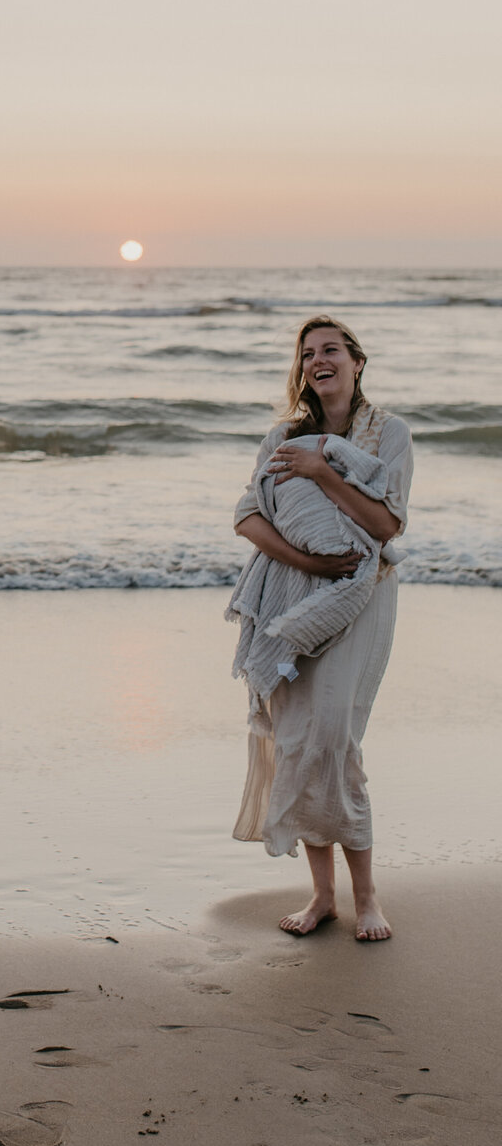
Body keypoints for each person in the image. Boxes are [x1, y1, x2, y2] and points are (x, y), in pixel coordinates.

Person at [229, 316, 412, 941]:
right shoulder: (282, 435)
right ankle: (322, 898)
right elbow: (248, 518)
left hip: (362, 601)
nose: (317, 361)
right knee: (298, 740)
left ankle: (367, 899)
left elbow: (388, 527)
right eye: (307, 354)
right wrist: (306, 561)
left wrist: (322, 473)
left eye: (330, 350)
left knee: (334, 739)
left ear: (357, 362)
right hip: (291, 600)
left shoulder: (391, 435)